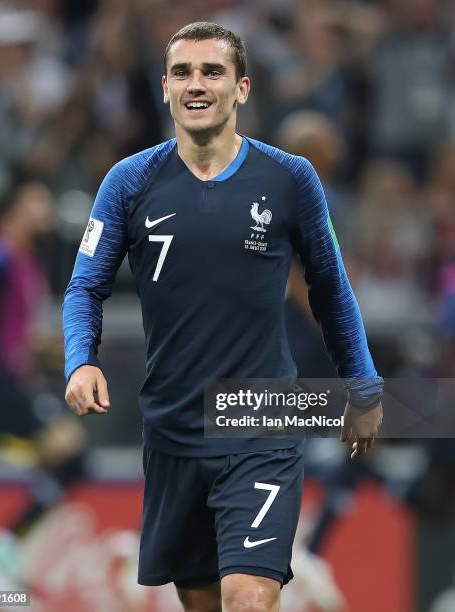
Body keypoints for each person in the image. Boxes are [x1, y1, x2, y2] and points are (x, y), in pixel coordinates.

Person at [63, 22, 384, 612]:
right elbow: (85, 286)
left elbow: (331, 290)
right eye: (183, 72)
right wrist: (80, 361)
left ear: (242, 89)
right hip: (173, 430)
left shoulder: (290, 179)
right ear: (164, 88)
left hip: (261, 421)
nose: (196, 84)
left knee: (248, 599)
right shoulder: (128, 182)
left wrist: (360, 381)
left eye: (212, 71)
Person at [0, 182, 87, 583]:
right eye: (37, 199)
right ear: (14, 213)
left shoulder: (27, 266)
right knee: (71, 453)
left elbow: (23, 336)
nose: (46, 206)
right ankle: (8, 541)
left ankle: (3, 557)